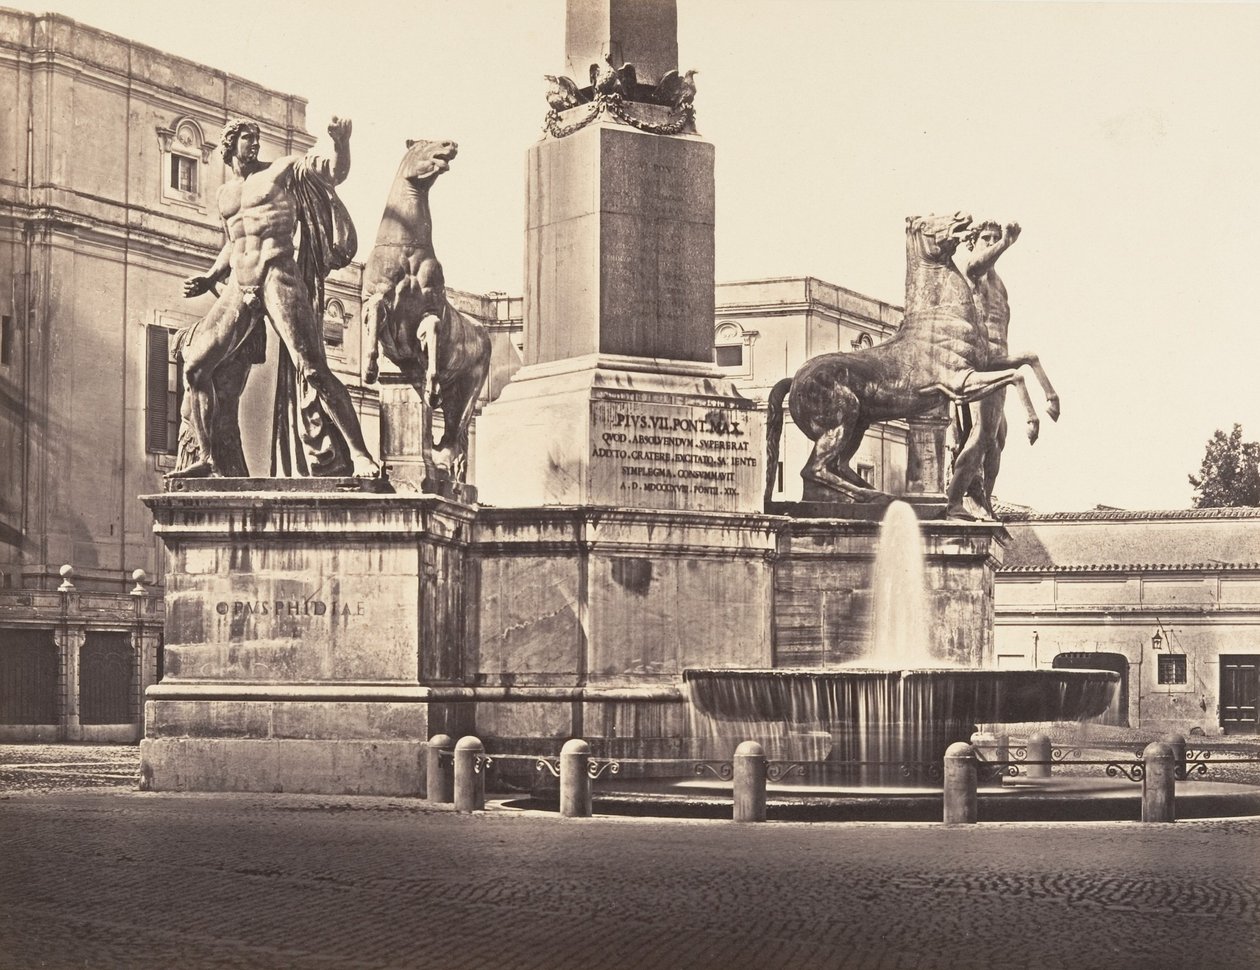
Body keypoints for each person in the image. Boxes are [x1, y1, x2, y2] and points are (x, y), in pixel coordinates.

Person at [171, 117, 379, 478]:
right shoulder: (225, 195)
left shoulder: (281, 170)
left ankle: (360, 455)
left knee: (313, 369)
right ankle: (208, 459)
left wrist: (341, 144)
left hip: (277, 274)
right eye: (247, 138)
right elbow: (233, 243)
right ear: (230, 144)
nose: (254, 144)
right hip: (239, 285)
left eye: (257, 138)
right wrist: (210, 277)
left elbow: (333, 173)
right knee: (195, 368)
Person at [956, 220, 1020, 518]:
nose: (992, 242)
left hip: (998, 364)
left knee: (999, 438)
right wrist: (1005, 243)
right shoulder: (971, 271)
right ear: (973, 243)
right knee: (981, 436)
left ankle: (984, 500)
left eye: (996, 237)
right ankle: (958, 498)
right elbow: (976, 265)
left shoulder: (1000, 284)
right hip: (979, 366)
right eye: (986, 238)